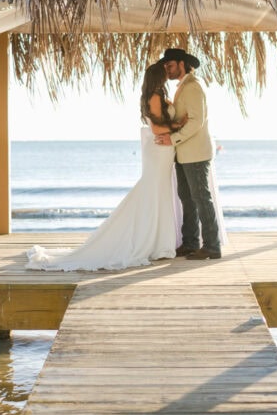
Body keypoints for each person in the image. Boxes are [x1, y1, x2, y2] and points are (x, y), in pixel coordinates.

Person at [25, 62, 181, 271]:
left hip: (164, 152)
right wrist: (178, 126)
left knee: (157, 194)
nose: (167, 74)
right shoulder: (154, 96)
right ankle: (154, 243)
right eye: (163, 72)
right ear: (157, 77)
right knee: (155, 193)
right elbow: (156, 128)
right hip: (159, 152)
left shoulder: (158, 95)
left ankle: (159, 242)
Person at [155, 48, 222, 260]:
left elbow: (196, 121)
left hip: (195, 153)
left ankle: (212, 246)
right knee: (187, 198)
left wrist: (172, 139)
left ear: (182, 64)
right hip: (184, 153)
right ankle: (191, 242)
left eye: (170, 65)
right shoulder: (183, 87)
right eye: (166, 66)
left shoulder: (193, 86)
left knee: (201, 198)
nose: (167, 69)